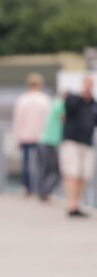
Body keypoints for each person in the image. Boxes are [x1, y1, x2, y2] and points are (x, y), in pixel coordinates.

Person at [60, 76, 97, 217]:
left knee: (84, 175)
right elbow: (68, 109)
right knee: (72, 173)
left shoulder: (93, 103)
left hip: (87, 143)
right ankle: (71, 205)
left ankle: (77, 204)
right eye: (87, 84)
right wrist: (82, 95)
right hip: (72, 142)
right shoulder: (73, 99)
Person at [11, 73, 51, 196]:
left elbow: (17, 121)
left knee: (26, 165)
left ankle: (27, 188)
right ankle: (40, 189)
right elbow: (48, 120)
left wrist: (17, 138)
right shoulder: (45, 100)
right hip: (41, 137)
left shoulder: (22, 100)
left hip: (25, 136)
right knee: (41, 165)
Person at [37, 95, 65, 202]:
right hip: (50, 142)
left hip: (44, 141)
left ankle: (43, 193)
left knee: (45, 170)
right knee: (55, 171)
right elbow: (64, 119)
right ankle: (44, 193)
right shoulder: (60, 105)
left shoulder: (55, 104)